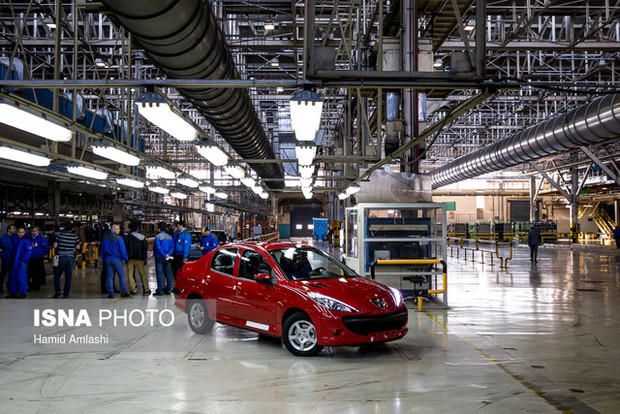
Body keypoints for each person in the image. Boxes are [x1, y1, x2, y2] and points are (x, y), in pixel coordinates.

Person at [101, 223, 131, 299]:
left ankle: (111, 293)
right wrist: (126, 258)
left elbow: (102, 250)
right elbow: (122, 250)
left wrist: (103, 258)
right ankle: (123, 292)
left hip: (107, 259)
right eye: (118, 229)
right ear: (113, 229)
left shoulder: (105, 238)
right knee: (121, 276)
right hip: (117, 259)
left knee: (110, 276)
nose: (119, 230)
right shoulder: (119, 238)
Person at [53, 222, 81, 298]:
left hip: (60, 257)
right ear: (72, 229)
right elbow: (78, 247)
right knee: (68, 276)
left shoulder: (59, 235)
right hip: (70, 258)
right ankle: (66, 294)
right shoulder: (75, 236)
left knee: (57, 275)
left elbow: (55, 246)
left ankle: (58, 290)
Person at [124, 222, 150, 295]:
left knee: (130, 274)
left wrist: (125, 258)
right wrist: (145, 258)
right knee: (142, 274)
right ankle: (146, 288)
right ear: (137, 229)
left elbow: (124, 248)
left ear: (130, 229)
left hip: (130, 259)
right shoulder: (142, 237)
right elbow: (145, 249)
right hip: (139, 259)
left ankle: (133, 289)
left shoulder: (127, 237)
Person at [7, 227, 33, 298]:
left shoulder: (27, 241)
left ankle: (22, 292)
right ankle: (13, 292)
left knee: (22, 277)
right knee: (13, 277)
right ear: (17, 232)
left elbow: (28, 252)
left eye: (22, 232)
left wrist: (23, 260)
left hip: (21, 262)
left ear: (24, 233)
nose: (21, 233)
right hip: (14, 261)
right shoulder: (15, 240)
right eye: (19, 232)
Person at [153, 222, 174, 296]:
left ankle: (160, 290)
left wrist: (164, 254)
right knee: (168, 273)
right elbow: (172, 247)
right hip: (167, 257)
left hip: (159, 257)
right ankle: (168, 290)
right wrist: (168, 254)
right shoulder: (170, 237)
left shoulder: (158, 237)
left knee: (159, 274)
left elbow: (158, 248)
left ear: (159, 228)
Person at [27, 226, 49, 291]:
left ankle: (36, 286)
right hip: (31, 258)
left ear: (38, 231)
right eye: (32, 231)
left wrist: (43, 254)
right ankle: (31, 285)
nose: (33, 232)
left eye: (35, 231)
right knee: (30, 273)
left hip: (38, 258)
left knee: (37, 273)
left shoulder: (41, 239)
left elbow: (46, 248)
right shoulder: (29, 239)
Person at [0, 224, 17, 293]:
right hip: (6, 257)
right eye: (13, 229)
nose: (15, 230)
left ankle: (10, 285)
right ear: (9, 230)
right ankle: (0, 286)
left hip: (12, 257)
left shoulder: (13, 237)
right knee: (4, 272)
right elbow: (6, 246)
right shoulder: (4, 238)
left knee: (11, 272)